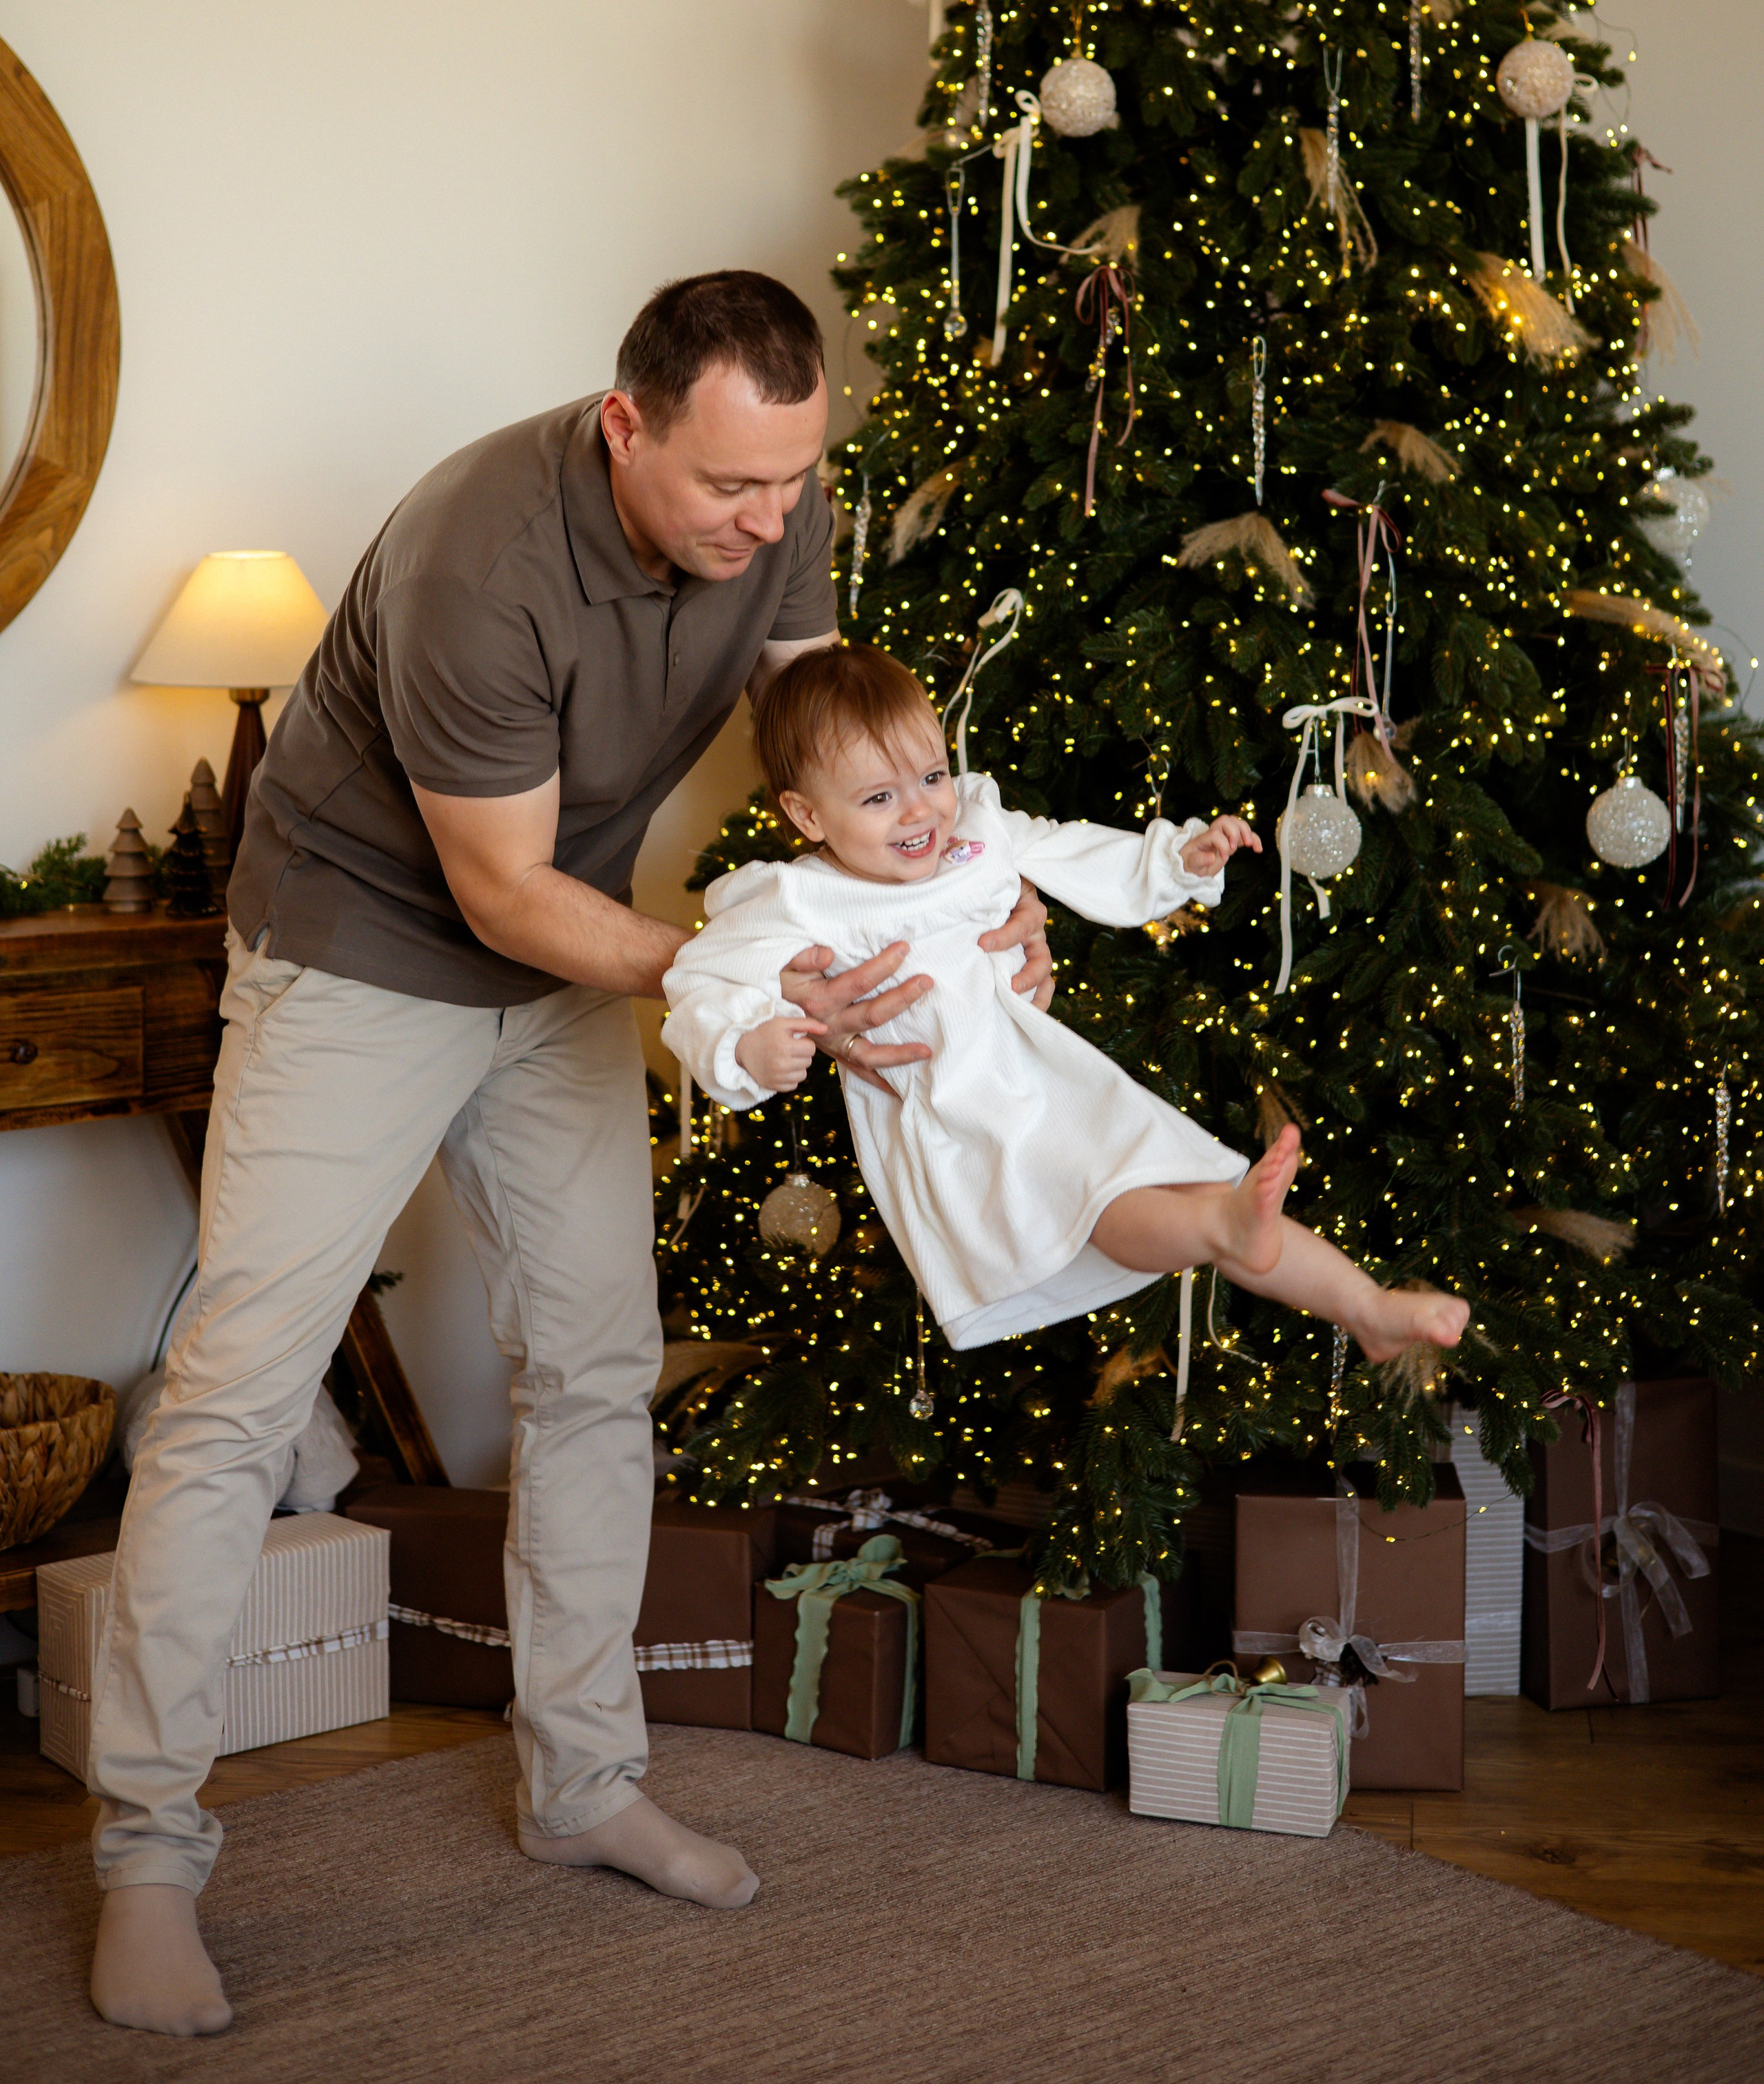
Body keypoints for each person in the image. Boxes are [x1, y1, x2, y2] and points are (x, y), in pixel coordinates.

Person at [85, 273, 1054, 2039]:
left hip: (568, 953)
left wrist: (978, 903)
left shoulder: (777, 476)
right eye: (726, 493)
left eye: (789, 485)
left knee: (596, 1365)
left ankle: (581, 1778)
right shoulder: (481, 553)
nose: (767, 523)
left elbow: (824, 758)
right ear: (625, 424)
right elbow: (497, 893)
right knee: (234, 1395)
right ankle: (149, 1853)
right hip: (359, 953)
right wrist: (741, 978)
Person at [664, 640, 1471, 1360]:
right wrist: (743, 1048)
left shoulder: (975, 837)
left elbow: (1072, 849)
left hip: (1048, 1076)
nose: (919, 810)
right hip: (965, 1117)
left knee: (1194, 1188)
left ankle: (1367, 1307)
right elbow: (703, 980)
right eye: (878, 799)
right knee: (1127, 1205)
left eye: (932, 776)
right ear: (806, 815)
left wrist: (1178, 862)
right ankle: (1231, 1235)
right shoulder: (798, 901)